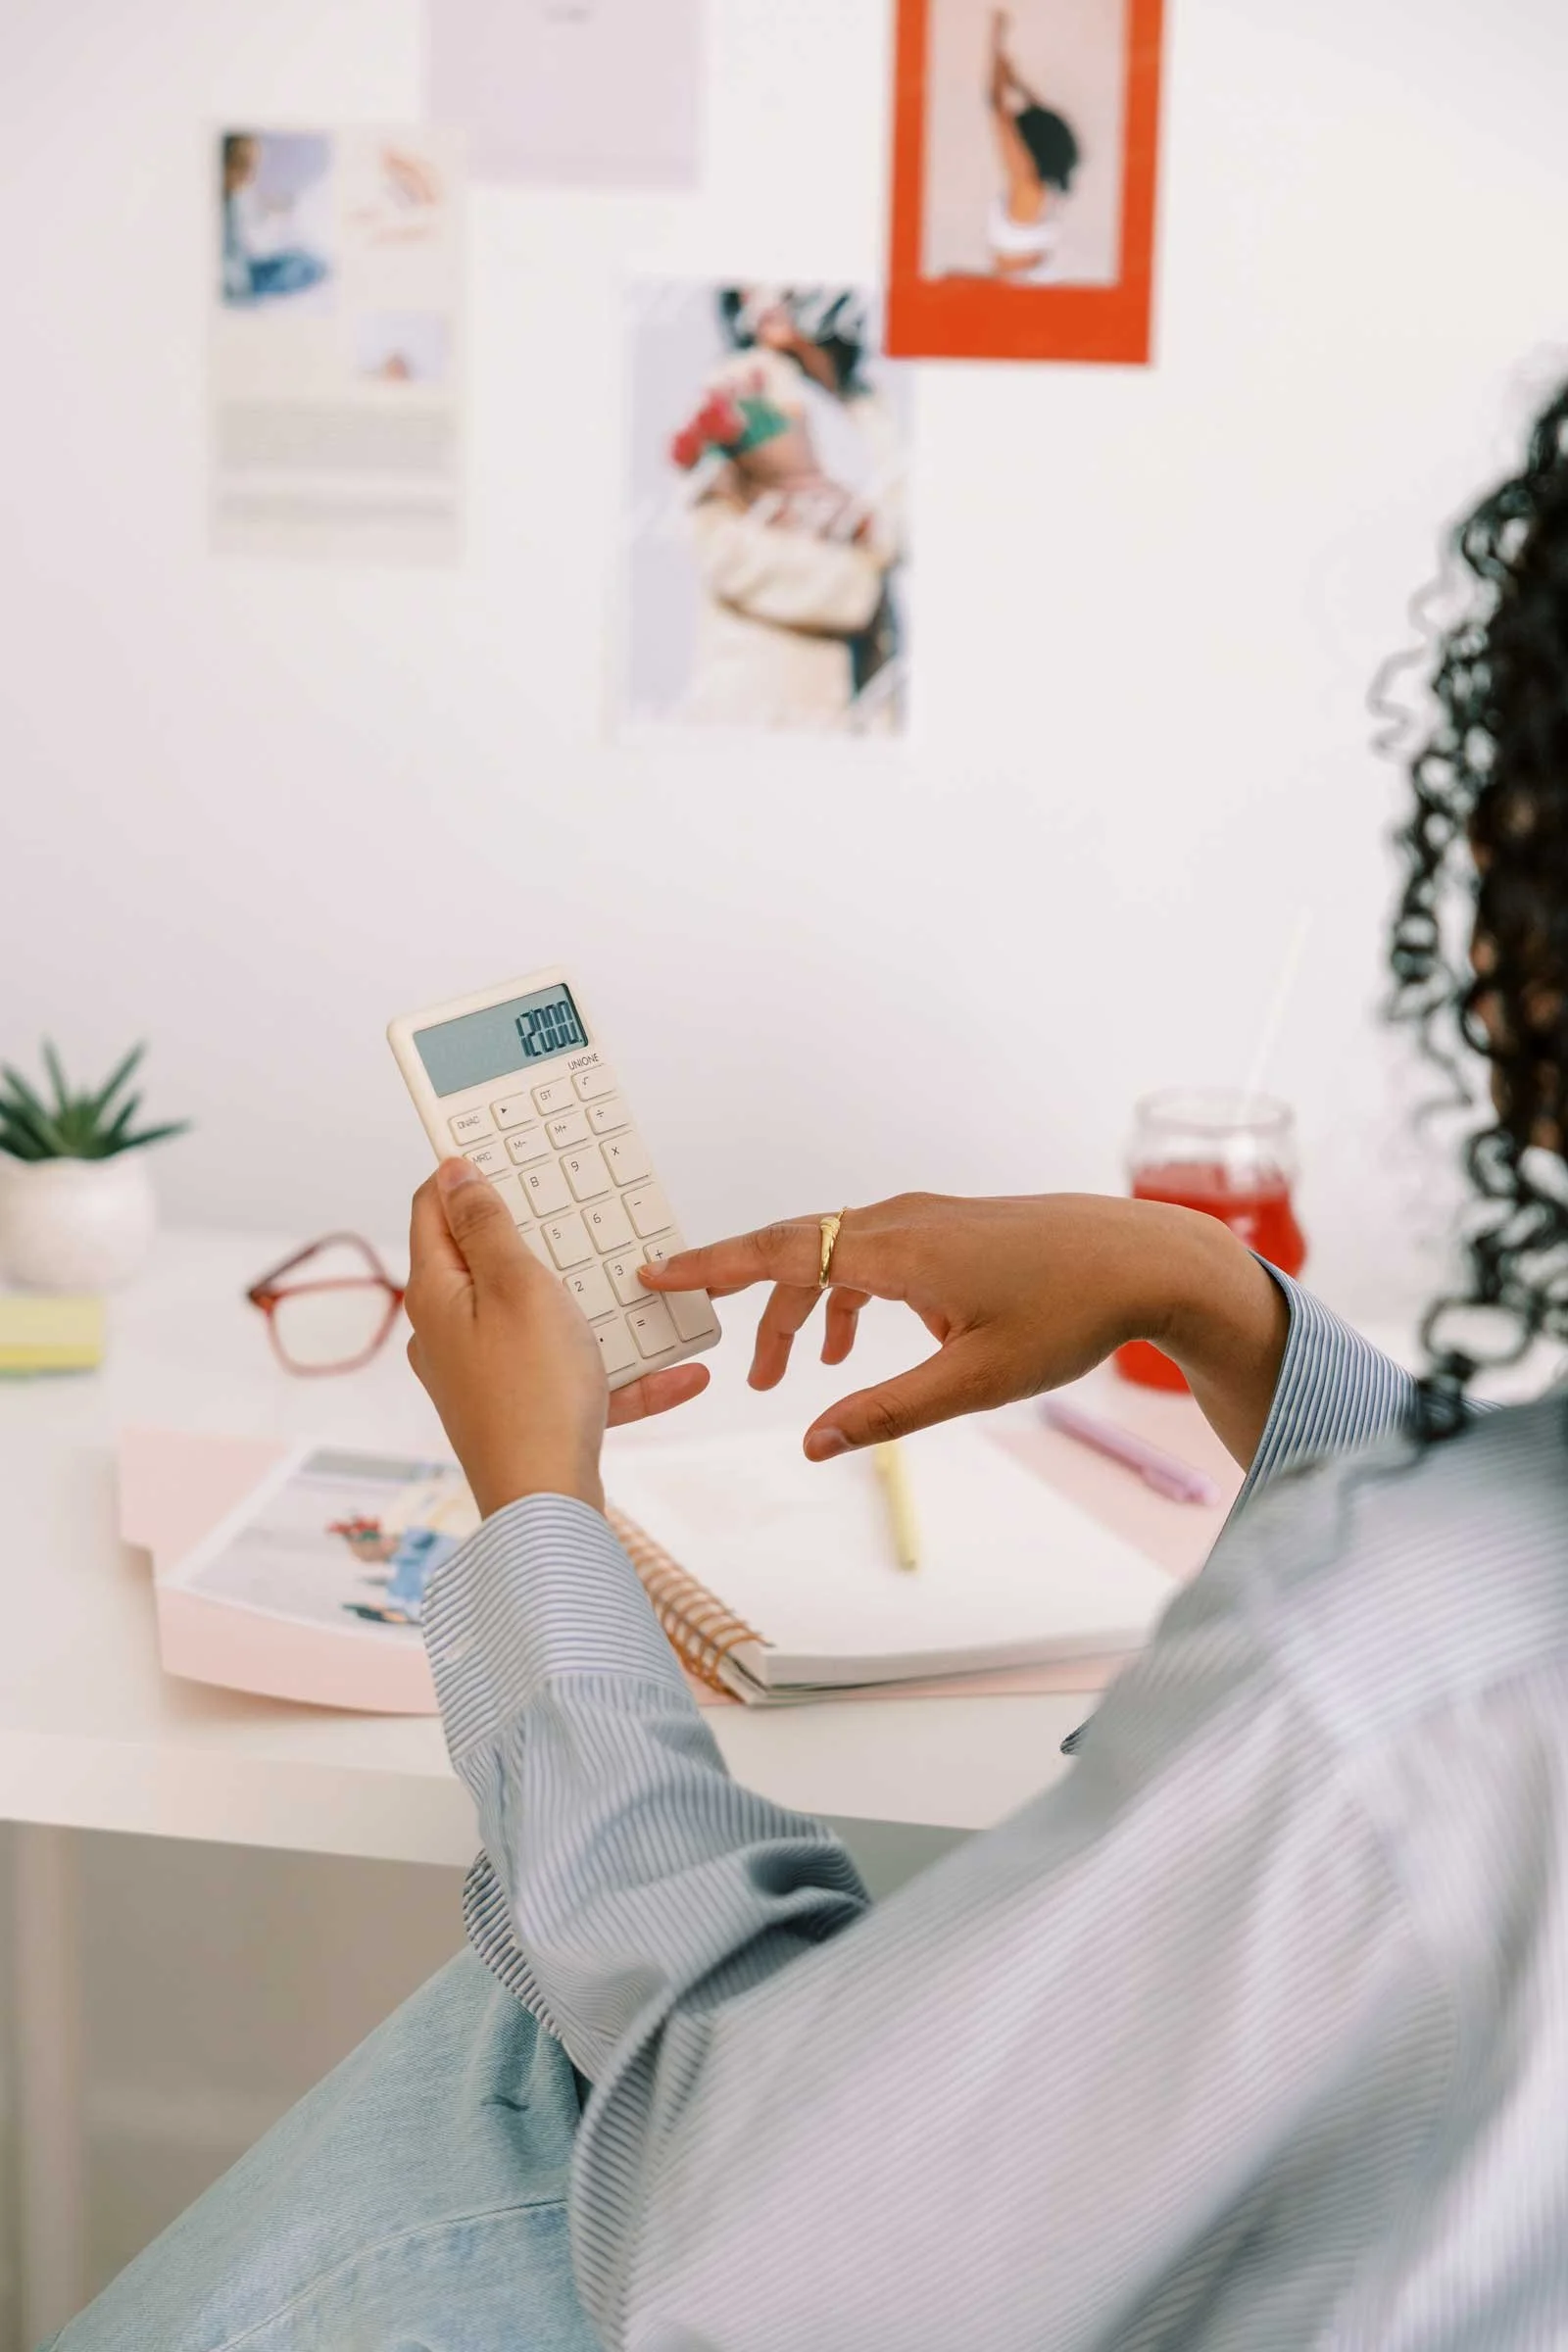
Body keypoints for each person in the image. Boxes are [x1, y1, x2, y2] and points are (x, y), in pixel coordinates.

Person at [49, 388, 1568, 2348]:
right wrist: (1204, 1294)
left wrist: (535, 1519)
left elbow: (736, 2248)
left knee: (524, 2070)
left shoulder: (1373, 1680)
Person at [670, 286, 904, 731]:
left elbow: (901, 524)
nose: (764, 299)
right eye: (750, 285)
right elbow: (722, 550)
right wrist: (853, 586)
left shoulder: (870, 404)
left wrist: (869, 530)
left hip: (870, 698)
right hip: (766, 698)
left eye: (781, 283)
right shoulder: (735, 391)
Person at [985, 10, 1081, 285]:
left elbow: (996, 108)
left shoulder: (1028, 186)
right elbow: (1041, 120)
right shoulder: (1046, 188)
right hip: (1025, 284)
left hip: (1020, 289)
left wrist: (995, 40)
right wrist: (1017, 83)